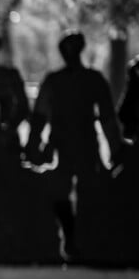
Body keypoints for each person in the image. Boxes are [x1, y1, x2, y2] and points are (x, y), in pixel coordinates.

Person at [26, 31, 121, 261]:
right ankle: (72, 237)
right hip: (65, 146)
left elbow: (107, 118)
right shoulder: (83, 80)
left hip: (79, 145)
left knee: (83, 191)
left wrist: (33, 145)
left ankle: (79, 238)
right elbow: (39, 117)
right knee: (64, 192)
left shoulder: (67, 81)